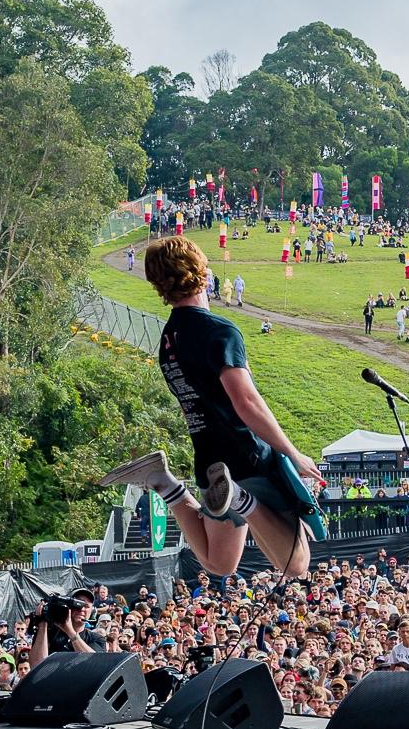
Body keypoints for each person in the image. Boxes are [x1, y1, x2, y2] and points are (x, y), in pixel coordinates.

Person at [100, 236, 326, 578]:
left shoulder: (168, 340)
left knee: (219, 563)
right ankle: (239, 498)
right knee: (296, 564)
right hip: (246, 456)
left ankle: (164, 483)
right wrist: (293, 454)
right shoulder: (219, 331)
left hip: (208, 460)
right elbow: (246, 402)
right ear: (201, 272)